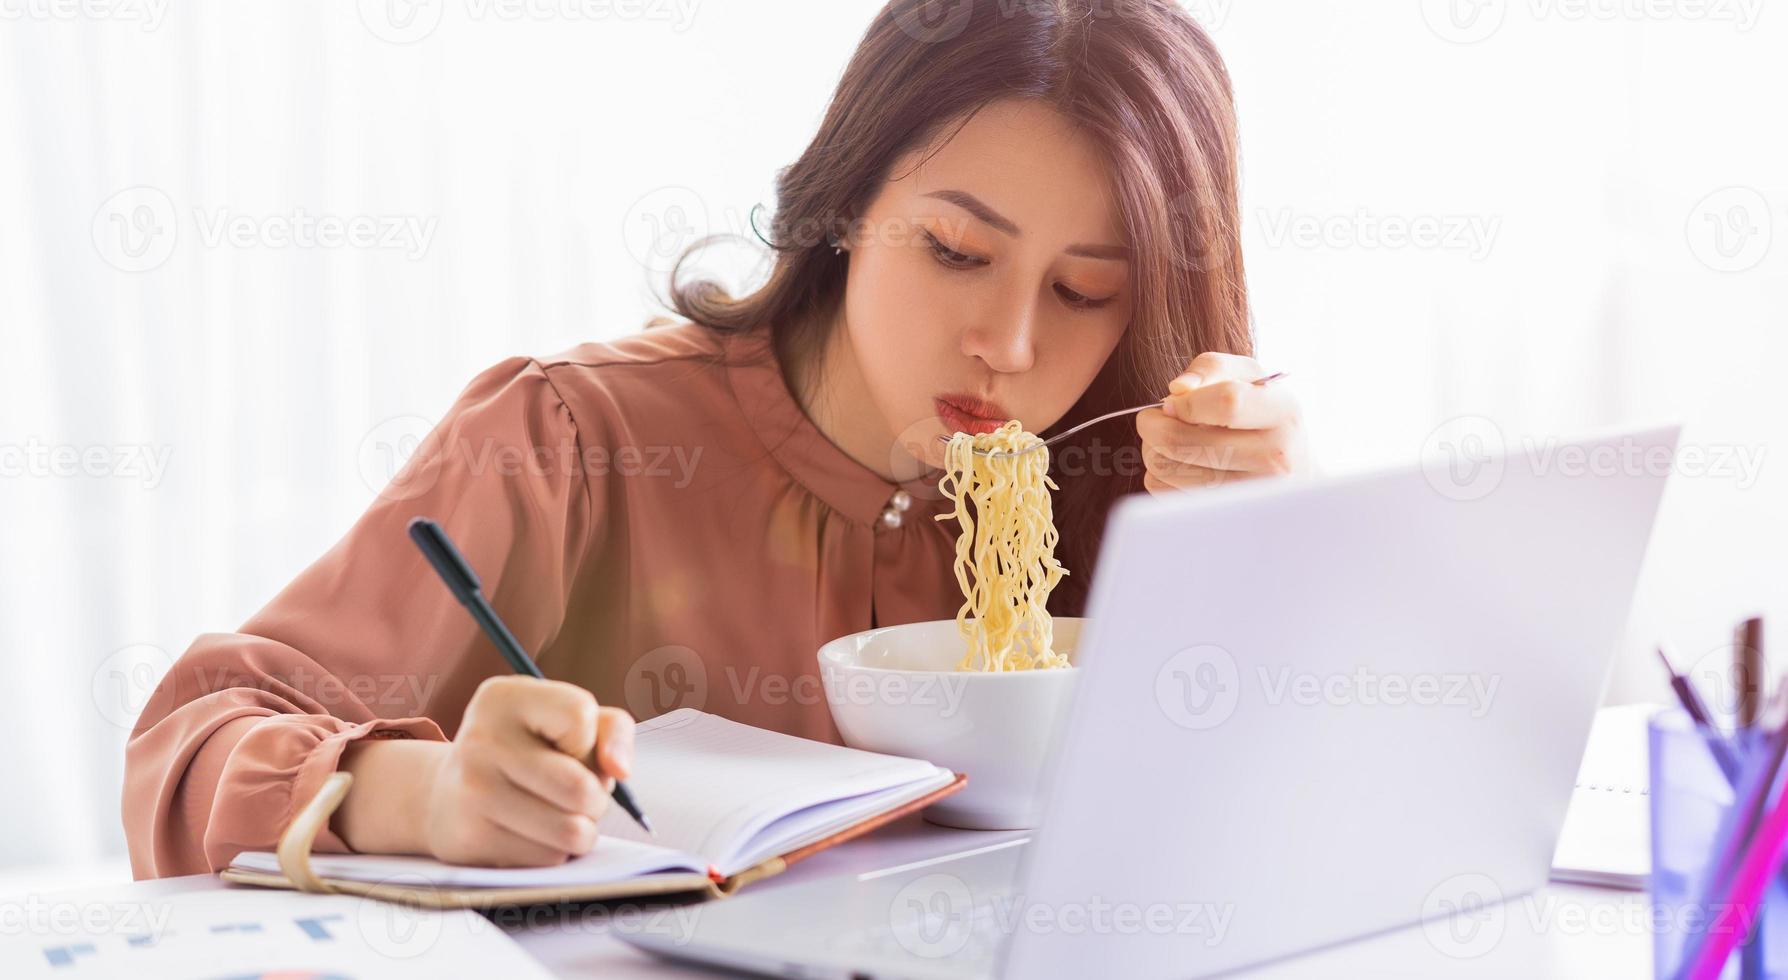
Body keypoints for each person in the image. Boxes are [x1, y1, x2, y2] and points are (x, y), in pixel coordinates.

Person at [124, 0, 1309, 878]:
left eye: (1087, 289)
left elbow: (1301, 829)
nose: (1005, 340)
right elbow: (192, 738)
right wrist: (418, 793)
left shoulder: (1135, 487)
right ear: (846, 207)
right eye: (954, 251)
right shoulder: (575, 433)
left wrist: (1278, 554)